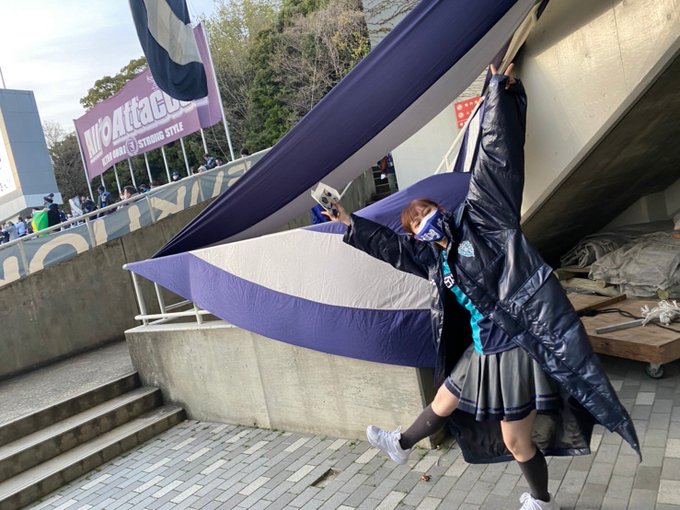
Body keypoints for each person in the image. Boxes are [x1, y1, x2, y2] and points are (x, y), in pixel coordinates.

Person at [325, 65, 639, 510]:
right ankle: (401, 443)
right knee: (444, 400)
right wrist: (348, 222)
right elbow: (392, 248)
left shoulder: (483, 222)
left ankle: (540, 500)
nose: (425, 222)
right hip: (483, 348)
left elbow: (496, 161)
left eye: (427, 212)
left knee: (515, 440)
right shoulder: (432, 258)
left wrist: (496, 97)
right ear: (416, 235)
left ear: (441, 210)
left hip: (513, 344)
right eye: (416, 223)